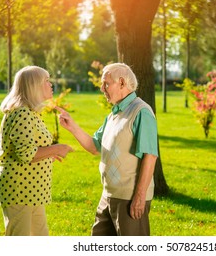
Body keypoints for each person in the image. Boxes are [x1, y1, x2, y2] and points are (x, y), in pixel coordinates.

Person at [57, 63, 158, 236]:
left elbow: (150, 156)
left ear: (121, 83)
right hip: (108, 195)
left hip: (129, 197)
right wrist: (72, 126)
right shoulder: (114, 114)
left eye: (106, 84)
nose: (102, 88)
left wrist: (139, 197)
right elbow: (94, 147)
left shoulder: (141, 112)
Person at [0, 65, 73, 236]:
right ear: (34, 86)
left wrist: (49, 154)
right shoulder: (22, 113)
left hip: (33, 191)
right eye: (46, 81)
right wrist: (58, 148)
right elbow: (26, 155)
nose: (51, 84)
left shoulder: (31, 112)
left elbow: (31, 148)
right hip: (19, 190)